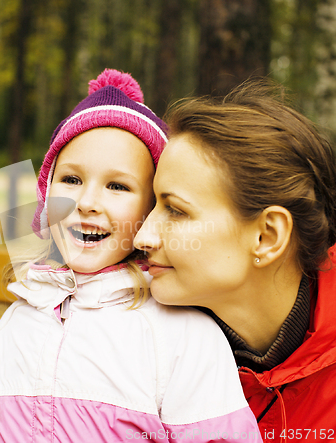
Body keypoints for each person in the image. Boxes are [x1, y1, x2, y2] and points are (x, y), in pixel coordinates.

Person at [0, 70, 260, 442]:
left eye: (117, 186)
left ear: (151, 210)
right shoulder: (24, 312)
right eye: (71, 180)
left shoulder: (180, 333)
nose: (86, 203)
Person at [134, 80, 336, 443]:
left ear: (267, 237)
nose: (142, 237)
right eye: (153, 205)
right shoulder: (130, 337)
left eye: (175, 211)